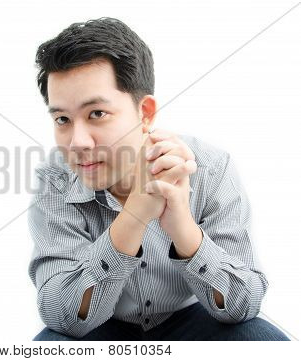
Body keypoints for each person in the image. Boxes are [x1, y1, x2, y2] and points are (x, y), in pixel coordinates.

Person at [27, 17, 290, 341]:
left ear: (146, 113)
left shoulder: (210, 167)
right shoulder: (54, 180)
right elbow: (60, 315)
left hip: (192, 319)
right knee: (49, 347)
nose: (77, 141)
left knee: (262, 340)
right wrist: (135, 215)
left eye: (97, 113)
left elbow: (244, 304)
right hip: (99, 325)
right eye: (63, 119)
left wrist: (183, 227)